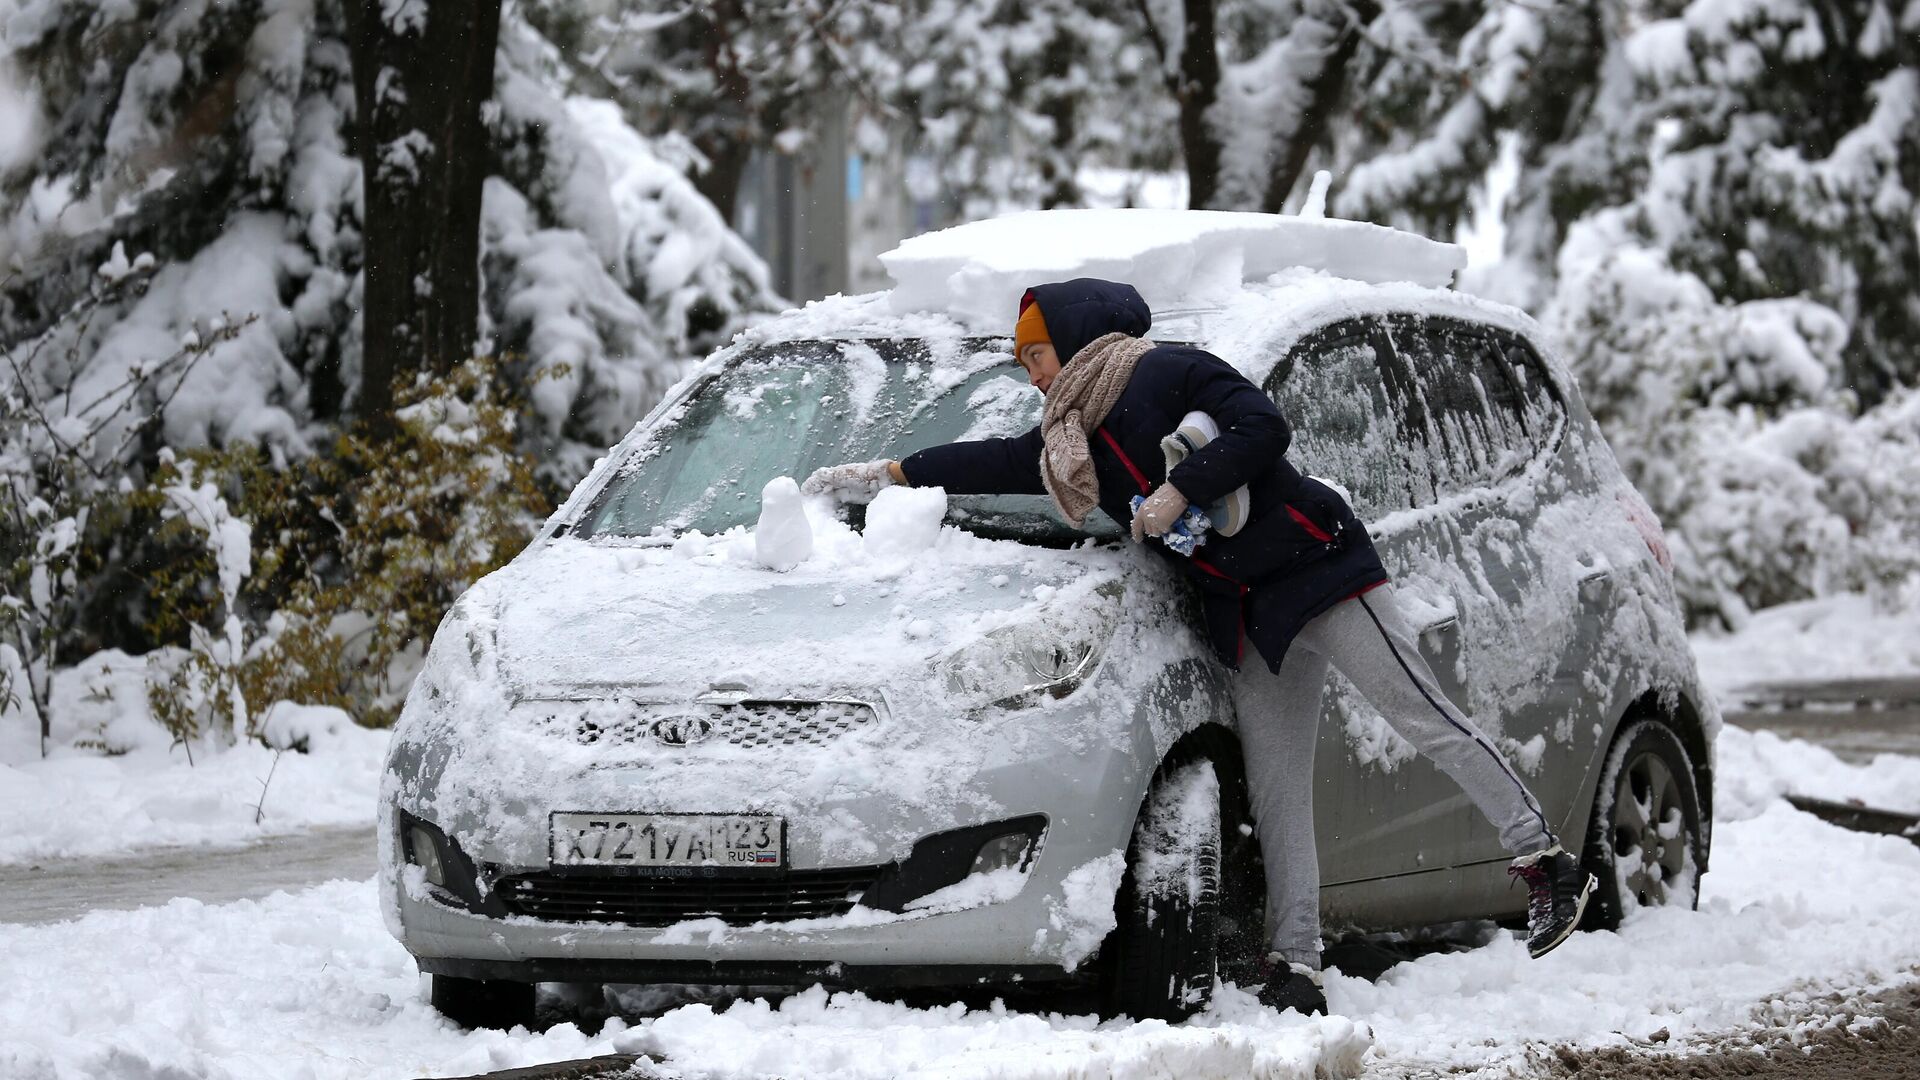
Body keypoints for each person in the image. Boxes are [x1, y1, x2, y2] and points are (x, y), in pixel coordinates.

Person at [802, 278, 1594, 1016]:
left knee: (1421, 715)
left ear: (1073, 338)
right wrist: (895, 471)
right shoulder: (1067, 440)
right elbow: (999, 462)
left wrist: (1184, 488)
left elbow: (1263, 426)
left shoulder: (1167, 371)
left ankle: (1545, 862)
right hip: (1245, 612)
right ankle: (1296, 965)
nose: (1031, 374)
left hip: (1319, 571)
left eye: (1035, 354)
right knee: (1279, 791)